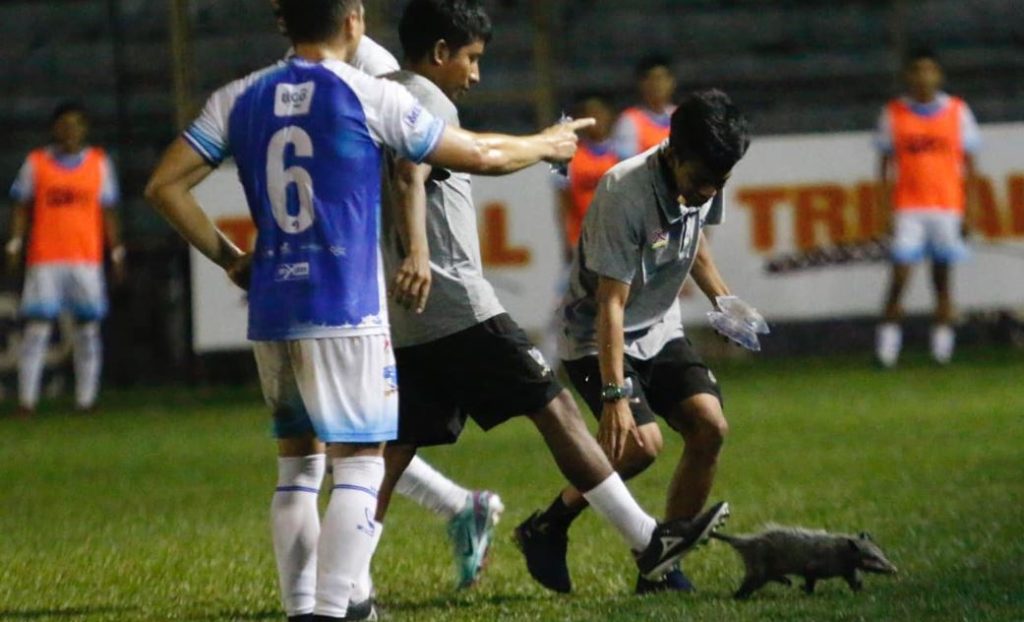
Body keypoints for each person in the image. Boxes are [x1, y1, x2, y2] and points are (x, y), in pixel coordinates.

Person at [144, 1, 596, 619]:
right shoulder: (367, 92)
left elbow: (163, 186)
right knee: (358, 465)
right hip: (345, 309)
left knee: (298, 472)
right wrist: (546, 143)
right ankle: (333, 612)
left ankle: (303, 608)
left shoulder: (238, 97)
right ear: (353, 19)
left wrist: (229, 258)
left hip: (274, 307)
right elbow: (480, 156)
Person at [372, 0, 729, 601]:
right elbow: (459, 160)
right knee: (554, 407)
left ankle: (338, 581)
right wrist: (542, 144)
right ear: (438, 53)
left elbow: (440, 158)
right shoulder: (425, 100)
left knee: (393, 449)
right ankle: (647, 541)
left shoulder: (380, 96)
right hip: (457, 300)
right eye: (471, 58)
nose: (476, 74)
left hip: (409, 313)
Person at [271, 0, 506, 591]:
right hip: (332, 267)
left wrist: (411, 252)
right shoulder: (298, 65)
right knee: (344, 436)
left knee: (342, 440)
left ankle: (354, 590)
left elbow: (408, 164)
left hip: (363, 271)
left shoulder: (371, 65)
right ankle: (452, 511)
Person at [516, 90, 751, 595]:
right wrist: (614, 396)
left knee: (710, 428)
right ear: (673, 151)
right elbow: (610, 305)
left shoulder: (707, 172)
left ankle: (661, 565)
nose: (708, 192)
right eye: (700, 182)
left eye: (719, 183)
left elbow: (696, 242)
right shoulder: (624, 193)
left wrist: (723, 301)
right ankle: (547, 526)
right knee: (640, 447)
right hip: (593, 336)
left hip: (659, 326)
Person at [6, 101, 126, 416]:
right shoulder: (36, 163)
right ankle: (27, 402)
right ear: (54, 129)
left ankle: (86, 401)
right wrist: (15, 244)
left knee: (87, 331)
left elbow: (108, 211)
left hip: (85, 259)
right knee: (37, 330)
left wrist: (116, 251)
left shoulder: (99, 163)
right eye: (64, 125)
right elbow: (21, 206)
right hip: (45, 258)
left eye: (76, 124)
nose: (70, 131)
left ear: (84, 128)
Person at [875, 48, 980, 367]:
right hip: (909, 207)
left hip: (947, 207)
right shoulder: (893, 113)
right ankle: (886, 350)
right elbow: (883, 168)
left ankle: (942, 350)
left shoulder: (958, 111)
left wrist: (970, 210)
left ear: (939, 75)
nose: (923, 77)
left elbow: (970, 166)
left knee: (942, 279)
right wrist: (884, 211)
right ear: (908, 75)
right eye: (917, 70)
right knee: (900, 277)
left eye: (929, 70)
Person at [558, 94, 619, 261]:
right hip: (582, 240)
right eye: (588, 114)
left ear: (609, 115)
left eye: (599, 113)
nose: (595, 119)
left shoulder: (623, 154)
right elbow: (562, 204)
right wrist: (565, 241)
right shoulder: (566, 156)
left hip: (618, 238)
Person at [611, 54, 677, 159]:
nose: (657, 84)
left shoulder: (681, 115)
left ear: (672, 82)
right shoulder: (629, 120)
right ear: (641, 84)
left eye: (661, 78)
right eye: (651, 79)